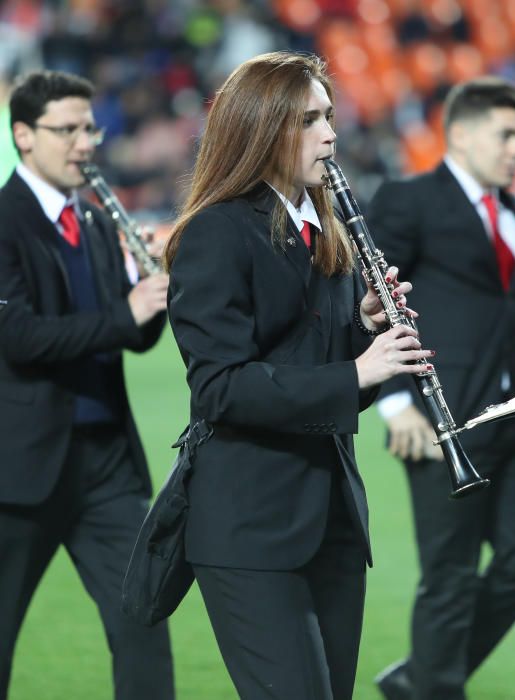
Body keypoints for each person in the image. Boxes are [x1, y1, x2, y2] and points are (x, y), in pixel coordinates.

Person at [162, 51, 432, 700]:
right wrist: (358, 370)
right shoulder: (216, 233)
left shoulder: (325, 234)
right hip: (249, 527)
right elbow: (220, 387)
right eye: (307, 120)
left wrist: (364, 336)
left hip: (330, 521)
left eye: (329, 116)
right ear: (260, 130)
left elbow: (310, 371)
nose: (330, 134)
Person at [368, 77, 515, 700]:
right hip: (440, 422)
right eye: (506, 134)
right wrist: (396, 404)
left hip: (514, 418)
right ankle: (435, 684)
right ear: (459, 133)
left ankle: (421, 676)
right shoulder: (408, 200)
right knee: (450, 579)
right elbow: (372, 304)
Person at [0, 70, 174, 699]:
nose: (84, 143)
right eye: (66, 129)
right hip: (18, 471)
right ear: (23, 135)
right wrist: (123, 314)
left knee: (143, 624)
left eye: (89, 127)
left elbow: (127, 338)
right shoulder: (3, 221)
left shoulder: (98, 223)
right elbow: (19, 337)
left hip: (105, 466)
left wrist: (154, 302)